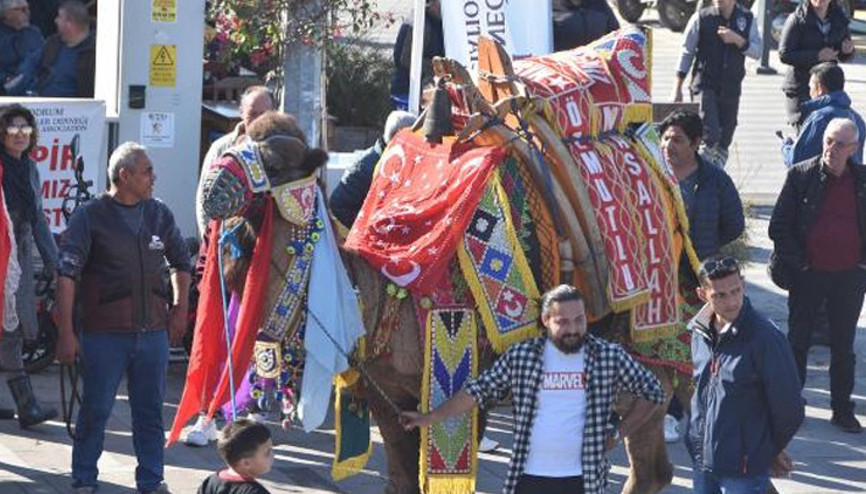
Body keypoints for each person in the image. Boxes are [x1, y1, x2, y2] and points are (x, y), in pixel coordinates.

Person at [400, 284, 665, 494]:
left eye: (579, 320)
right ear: (546, 320)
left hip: (585, 480)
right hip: (528, 478)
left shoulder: (607, 356)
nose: (573, 329)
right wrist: (430, 417)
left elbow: (653, 391)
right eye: (563, 322)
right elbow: (476, 391)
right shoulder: (522, 356)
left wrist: (618, 433)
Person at [55, 142, 193, 493]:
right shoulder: (89, 216)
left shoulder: (159, 213)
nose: (154, 177)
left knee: (149, 413)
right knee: (96, 411)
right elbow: (67, 275)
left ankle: (151, 479)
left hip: (153, 334)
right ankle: (84, 478)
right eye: (147, 171)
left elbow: (182, 263)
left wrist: (180, 310)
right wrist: (66, 333)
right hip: (104, 335)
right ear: (124, 175)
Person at [768, 117, 866, 434]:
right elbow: (778, 226)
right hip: (809, 274)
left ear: (854, 149)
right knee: (798, 342)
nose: (831, 149)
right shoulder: (801, 175)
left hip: (849, 277)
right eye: (828, 141)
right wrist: (800, 264)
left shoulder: (861, 180)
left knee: (843, 346)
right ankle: (791, 405)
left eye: (840, 144)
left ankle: (842, 409)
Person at [658, 109, 745, 443]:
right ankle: (666, 410)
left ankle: (686, 411)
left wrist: (706, 244)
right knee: (662, 345)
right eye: (665, 138)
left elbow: (734, 223)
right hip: (660, 277)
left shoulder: (713, 179)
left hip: (698, 279)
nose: (669, 145)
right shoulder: (654, 173)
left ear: (695, 143)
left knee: (695, 346)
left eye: (677, 139)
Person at [687, 256, 804, 493]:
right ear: (702, 295)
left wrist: (767, 450)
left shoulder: (765, 338)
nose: (731, 302)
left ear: (744, 284)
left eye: (735, 291)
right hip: (703, 464)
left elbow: (789, 407)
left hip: (744, 470)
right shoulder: (698, 332)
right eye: (720, 295)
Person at [0, 104, 57, 428]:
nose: (21, 134)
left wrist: (53, 261)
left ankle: (27, 405)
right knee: (8, 331)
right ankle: (28, 406)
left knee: (12, 329)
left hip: (16, 259)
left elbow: (37, 220)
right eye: (13, 127)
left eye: (26, 128)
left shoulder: (31, 170)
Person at [672, 0, 761, 167]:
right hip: (704, 84)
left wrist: (737, 40)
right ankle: (699, 171)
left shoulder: (747, 18)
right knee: (710, 132)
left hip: (731, 88)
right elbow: (686, 52)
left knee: (726, 136)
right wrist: (677, 87)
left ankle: (716, 177)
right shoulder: (701, 17)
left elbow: (757, 51)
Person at [195, 85, 275, 238]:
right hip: (227, 240)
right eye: (252, 114)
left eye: (263, 114)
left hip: (268, 241)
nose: (258, 121)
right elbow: (204, 199)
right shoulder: (221, 148)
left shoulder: (281, 152)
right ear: (241, 112)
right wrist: (209, 240)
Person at [329, 110, 415, 229]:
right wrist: (368, 230)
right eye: (414, 136)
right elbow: (339, 205)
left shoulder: (404, 162)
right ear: (399, 134)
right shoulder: (364, 166)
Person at [779, 0, 854, 129]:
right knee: (806, 133)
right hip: (801, 87)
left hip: (829, 88)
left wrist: (847, 51)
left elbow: (842, 53)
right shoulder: (797, 19)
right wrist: (816, 56)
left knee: (828, 133)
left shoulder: (839, 18)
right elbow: (784, 54)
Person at [4, 0, 94, 97]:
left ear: (69, 23)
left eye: (59, 16)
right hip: (39, 103)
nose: (55, 20)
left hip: (76, 108)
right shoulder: (53, 44)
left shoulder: (94, 52)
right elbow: (30, 65)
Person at [782, 62, 865, 167]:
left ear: (819, 88)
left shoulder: (819, 118)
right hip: (851, 182)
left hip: (823, 181)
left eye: (810, 87)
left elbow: (798, 161)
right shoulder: (858, 120)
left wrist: (786, 146)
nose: (810, 92)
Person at [390, 0, 444, 109]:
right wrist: (438, 67)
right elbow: (406, 58)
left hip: (430, 88)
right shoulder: (420, 22)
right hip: (408, 90)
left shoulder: (442, 23)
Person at [197, 419, 274, 494]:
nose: (273, 455)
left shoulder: (210, 482)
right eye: (267, 452)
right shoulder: (257, 492)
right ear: (246, 463)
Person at [0, 0, 44, 84]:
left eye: (28, 8)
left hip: (36, 84)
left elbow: (45, 58)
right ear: (6, 14)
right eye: (22, 9)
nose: (28, 12)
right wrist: (6, 79)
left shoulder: (34, 33)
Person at [551, 0, 619, 51]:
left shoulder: (599, 4)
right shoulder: (546, 7)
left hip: (597, 64)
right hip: (560, 65)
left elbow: (615, 35)